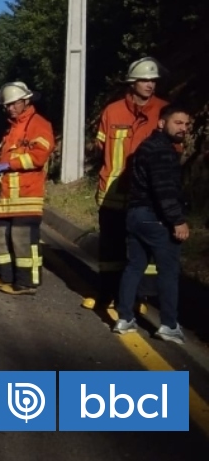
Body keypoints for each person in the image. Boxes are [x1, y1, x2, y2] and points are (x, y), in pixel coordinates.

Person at [86, 57, 168, 311]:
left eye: (153, 80)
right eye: (144, 80)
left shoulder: (164, 112)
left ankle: (139, 298)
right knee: (111, 249)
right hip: (112, 194)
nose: (150, 85)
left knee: (144, 249)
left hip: (146, 196)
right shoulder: (112, 111)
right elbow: (100, 147)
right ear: (132, 83)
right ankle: (107, 294)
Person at [113, 105, 192, 343]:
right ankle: (168, 325)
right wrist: (177, 220)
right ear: (161, 123)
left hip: (136, 215)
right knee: (168, 272)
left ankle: (124, 319)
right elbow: (164, 189)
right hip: (155, 217)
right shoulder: (162, 151)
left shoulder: (145, 147)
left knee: (134, 266)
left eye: (186, 125)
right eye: (178, 123)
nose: (183, 129)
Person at [0, 82, 55, 295]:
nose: (11, 108)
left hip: (26, 194)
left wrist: (8, 164)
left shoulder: (39, 124)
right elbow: (8, 154)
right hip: (6, 197)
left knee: (23, 240)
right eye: (7, 106)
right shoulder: (13, 127)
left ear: (26, 101)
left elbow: (39, 156)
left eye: (14, 104)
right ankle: (8, 276)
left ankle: (26, 282)